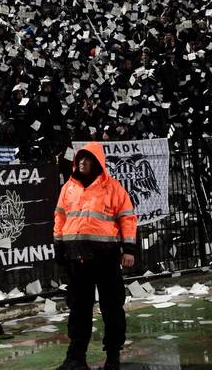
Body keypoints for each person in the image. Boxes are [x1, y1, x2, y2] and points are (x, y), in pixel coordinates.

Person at [54, 142, 137, 370]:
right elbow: (60, 218)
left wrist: (129, 249)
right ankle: (76, 358)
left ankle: (113, 357)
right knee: (79, 308)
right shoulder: (68, 188)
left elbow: (128, 218)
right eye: (80, 158)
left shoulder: (113, 188)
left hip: (106, 258)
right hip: (77, 258)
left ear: (97, 162)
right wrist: (59, 245)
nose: (82, 162)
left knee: (112, 308)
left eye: (87, 159)